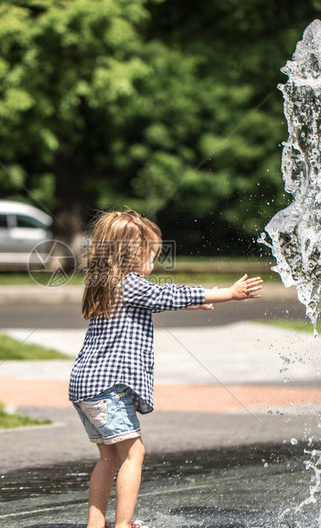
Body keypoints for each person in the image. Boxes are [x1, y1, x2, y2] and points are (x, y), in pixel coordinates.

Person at [69, 209, 263, 528]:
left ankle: (96, 524)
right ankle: (123, 525)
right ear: (131, 255)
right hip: (107, 389)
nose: (153, 264)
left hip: (85, 387)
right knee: (135, 454)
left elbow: (159, 298)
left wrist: (192, 301)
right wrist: (228, 294)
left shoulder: (104, 282)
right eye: (151, 256)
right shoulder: (129, 283)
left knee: (109, 457)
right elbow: (164, 294)